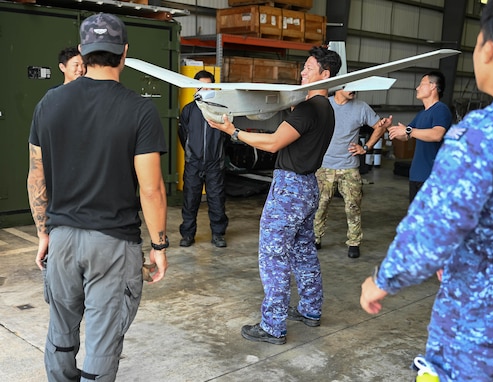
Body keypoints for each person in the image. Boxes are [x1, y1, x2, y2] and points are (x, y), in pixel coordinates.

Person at [360, 0, 493, 380]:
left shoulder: (483, 132)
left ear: (488, 49)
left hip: (481, 332)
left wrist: (382, 280)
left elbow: (434, 229)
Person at [27, 13, 168, 381]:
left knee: (61, 332)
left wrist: (45, 233)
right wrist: (159, 245)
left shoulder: (49, 103)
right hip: (112, 243)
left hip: (62, 240)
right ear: (124, 52)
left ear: (82, 52)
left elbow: (36, 176)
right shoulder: (140, 110)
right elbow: (151, 189)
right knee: (103, 341)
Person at [208, 46, 342, 345]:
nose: (302, 71)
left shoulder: (309, 108)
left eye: (309, 67)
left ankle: (273, 326)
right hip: (308, 186)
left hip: (290, 189)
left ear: (325, 73)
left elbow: (272, 143)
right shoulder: (326, 108)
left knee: (274, 256)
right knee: (304, 252)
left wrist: (233, 131)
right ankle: (310, 309)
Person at [313, 88, 392, 258]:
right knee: (319, 206)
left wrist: (365, 147)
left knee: (353, 207)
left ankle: (354, 243)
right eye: (351, 86)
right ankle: (316, 238)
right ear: (340, 86)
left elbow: (380, 127)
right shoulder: (324, 104)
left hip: (349, 167)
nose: (354, 90)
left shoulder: (361, 107)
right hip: (324, 166)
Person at [178, 70, 228, 248]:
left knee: (216, 200)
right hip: (194, 163)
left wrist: (218, 154)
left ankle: (218, 234)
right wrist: (193, 153)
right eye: (200, 86)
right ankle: (188, 235)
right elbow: (183, 134)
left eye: (208, 86)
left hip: (215, 163)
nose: (204, 89)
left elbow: (226, 136)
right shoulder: (189, 110)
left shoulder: (220, 109)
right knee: (190, 200)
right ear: (195, 87)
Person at [387, 71, 452, 202]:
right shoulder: (421, 114)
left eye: (421, 84)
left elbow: (437, 134)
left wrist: (409, 130)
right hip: (416, 175)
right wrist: (389, 127)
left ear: (433, 86)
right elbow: (406, 136)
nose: (417, 88)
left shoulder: (441, 110)